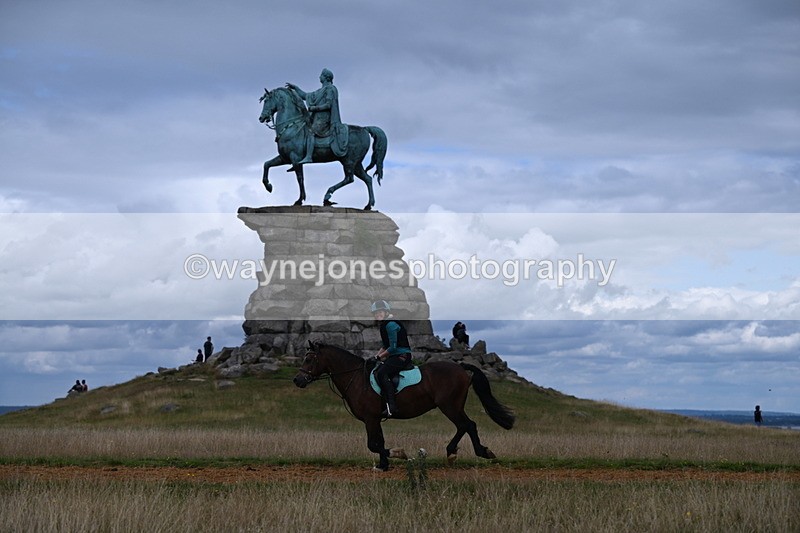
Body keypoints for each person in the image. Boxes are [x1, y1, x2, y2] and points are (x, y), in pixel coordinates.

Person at [285, 68, 348, 165]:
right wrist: (295, 88)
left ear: (326, 77)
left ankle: (309, 156)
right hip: (316, 118)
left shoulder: (330, 89)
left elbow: (328, 105)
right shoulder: (320, 91)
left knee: (311, 131)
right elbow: (305, 96)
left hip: (324, 119)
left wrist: (314, 108)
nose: (319, 77)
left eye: (321, 75)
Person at [372, 300, 412, 418]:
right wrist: (375, 357)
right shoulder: (385, 324)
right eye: (375, 313)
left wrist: (379, 357)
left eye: (379, 312)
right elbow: (385, 346)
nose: (377, 314)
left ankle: (391, 406)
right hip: (395, 356)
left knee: (381, 373)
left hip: (402, 356)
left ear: (385, 311)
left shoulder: (390, 325)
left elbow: (393, 348)